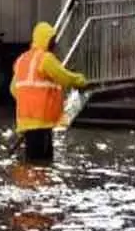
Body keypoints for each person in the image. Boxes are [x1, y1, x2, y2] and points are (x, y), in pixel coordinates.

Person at [11, 22, 87, 163]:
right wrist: (81, 80)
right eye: (52, 40)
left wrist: (29, 102)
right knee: (43, 165)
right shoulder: (45, 59)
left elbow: (14, 89)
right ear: (45, 40)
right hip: (41, 124)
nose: (54, 44)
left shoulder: (21, 60)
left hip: (25, 124)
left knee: (32, 164)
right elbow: (64, 77)